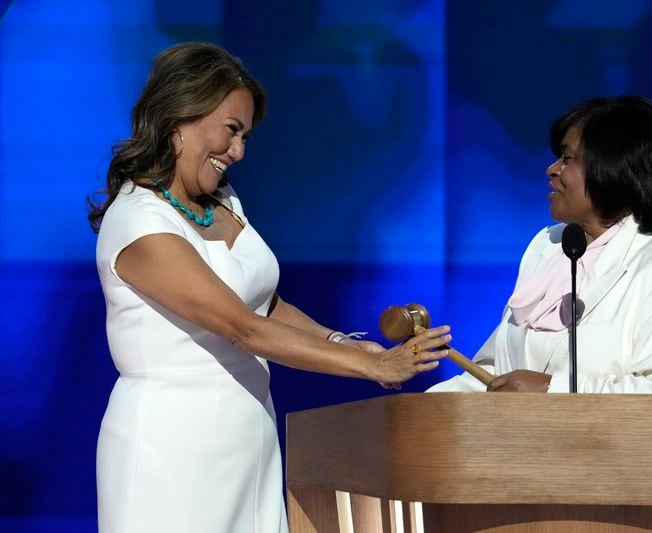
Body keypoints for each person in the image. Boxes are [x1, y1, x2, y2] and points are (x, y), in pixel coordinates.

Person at [88, 42, 451, 533]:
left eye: (245, 137)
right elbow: (242, 328)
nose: (237, 151)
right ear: (180, 116)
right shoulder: (137, 223)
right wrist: (370, 365)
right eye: (231, 130)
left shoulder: (224, 202)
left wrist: (346, 345)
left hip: (249, 436)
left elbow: (266, 305)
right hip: (170, 446)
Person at [429, 95, 652, 395]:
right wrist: (425, 409)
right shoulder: (549, 246)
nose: (552, 169)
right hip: (519, 442)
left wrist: (551, 392)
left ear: (617, 168)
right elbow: (499, 377)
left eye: (567, 159)